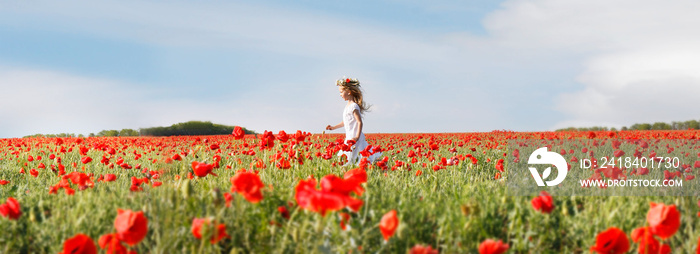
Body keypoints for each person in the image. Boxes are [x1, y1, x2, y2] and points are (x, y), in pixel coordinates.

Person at [326, 77, 382, 165]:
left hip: (355, 138)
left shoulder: (354, 106)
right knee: (351, 160)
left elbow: (359, 122)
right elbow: (346, 122)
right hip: (349, 137)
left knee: (360, 159)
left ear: (348, 92)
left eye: (341, 92)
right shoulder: (347, 106)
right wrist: (333, 127)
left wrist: (357, 137)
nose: (340, 94)